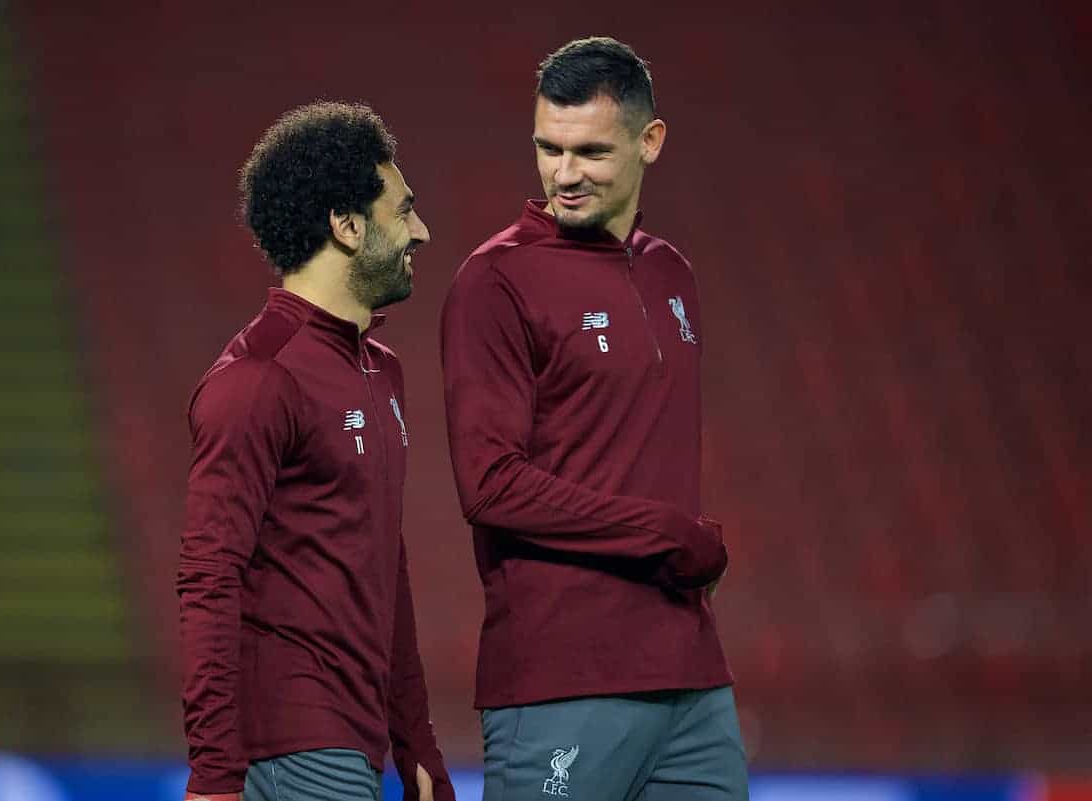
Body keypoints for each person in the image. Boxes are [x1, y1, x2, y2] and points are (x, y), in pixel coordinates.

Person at [440, 37, 748, 800]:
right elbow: (490, 485)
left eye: (591, 151)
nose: (564, 173)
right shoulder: (496, 281)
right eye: (549, 147)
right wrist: (667, 534)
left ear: (651, 142)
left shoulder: (673, 271)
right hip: (560, 679)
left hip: (691, 681)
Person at [178, 102, 453, 801]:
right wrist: (214, 775)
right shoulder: (258, 377)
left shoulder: (379, 369)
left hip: (349, 745)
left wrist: (414, 741)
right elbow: (209, 578)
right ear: (347, 224)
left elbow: (384, 568)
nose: (421, 230)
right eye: (404, 209)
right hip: (292, 746)